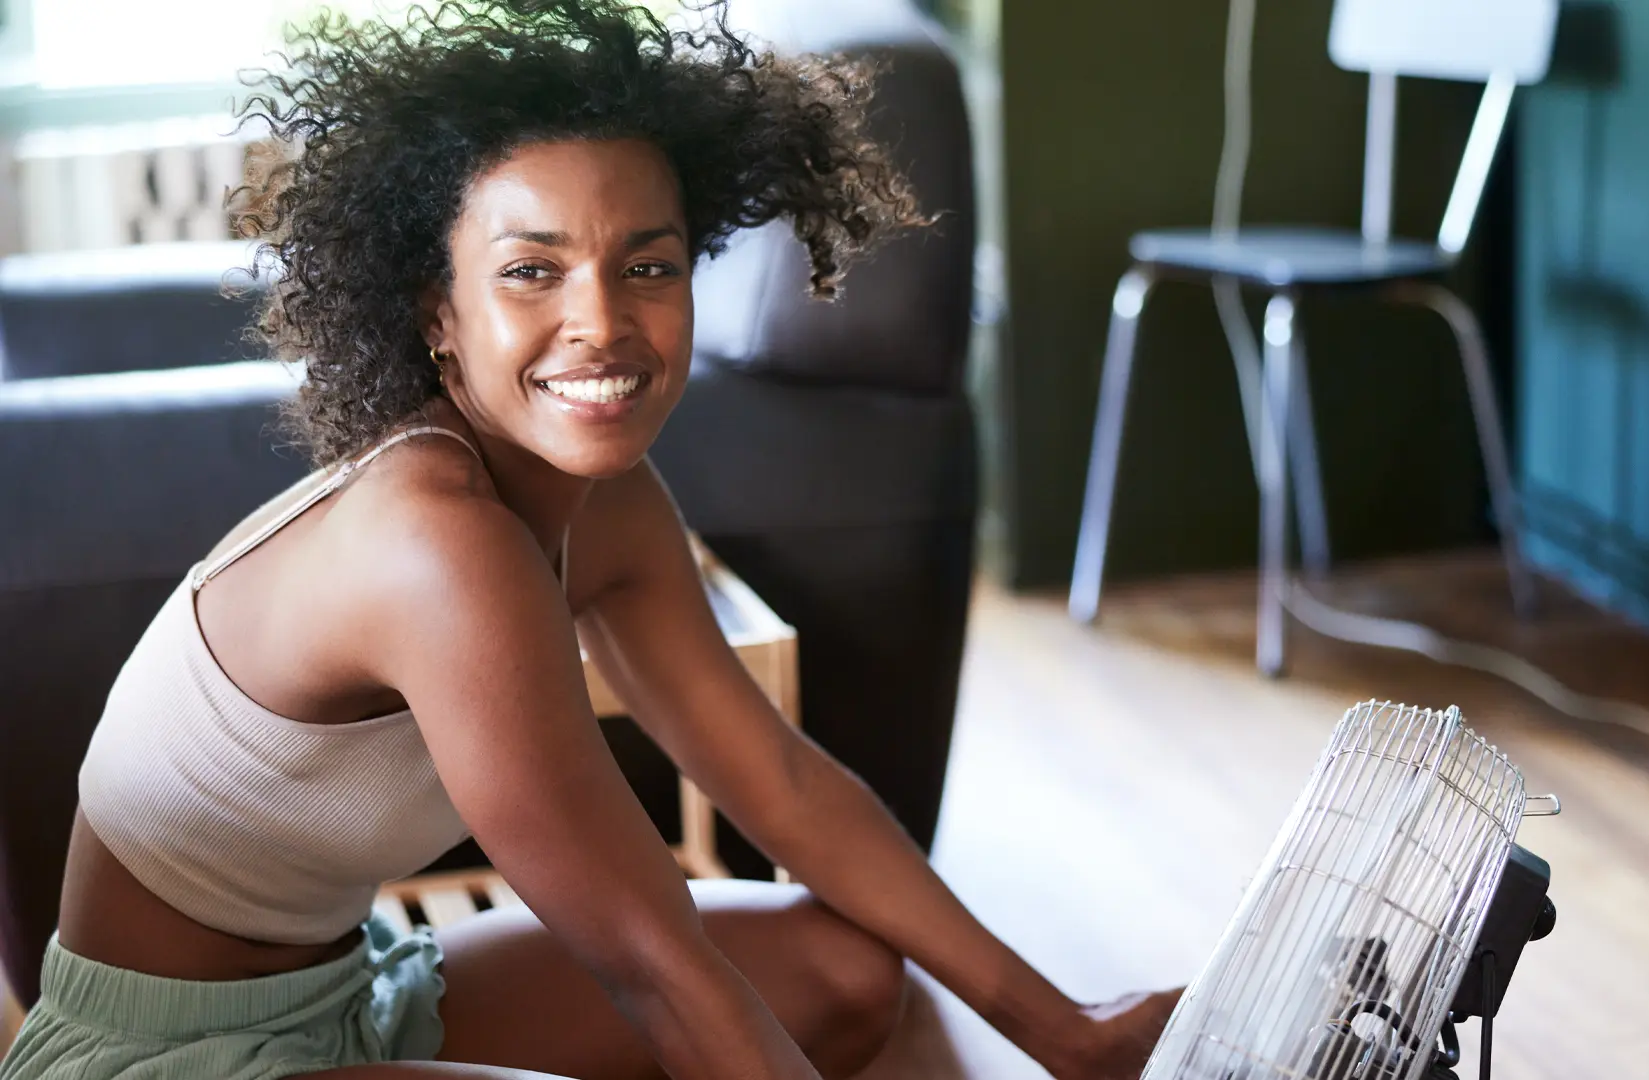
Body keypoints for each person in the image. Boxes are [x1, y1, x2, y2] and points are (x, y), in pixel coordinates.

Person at [0, 2, 1182, 1078]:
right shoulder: (434, 543)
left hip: (348, 991)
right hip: (164, 1061)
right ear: (437, 316)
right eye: (531, 272)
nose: (603, 324)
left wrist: (1067, 1030)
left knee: (844, 975)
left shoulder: (600, 500)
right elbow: (643, 954)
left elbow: (783, 787)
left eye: (649, 266)